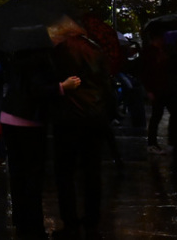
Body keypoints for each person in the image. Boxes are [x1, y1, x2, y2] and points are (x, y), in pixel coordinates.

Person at [3, 45, 81, 240]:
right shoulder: (39, 58)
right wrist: (62, 86)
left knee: (18, 174)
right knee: (33, 176)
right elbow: (37, 90)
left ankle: (21, 222)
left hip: (9, 116)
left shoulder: (15, 56)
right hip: (29, 120)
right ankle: (34, 227)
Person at [51, 25, 117, 240]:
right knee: (92, 173)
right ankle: (92, 223)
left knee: (65, 173)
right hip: (94, 117)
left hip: (68, 118)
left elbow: (53, 81)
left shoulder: (59, 50)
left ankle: (70, 223)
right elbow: (106, 85)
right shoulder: (95, 49)